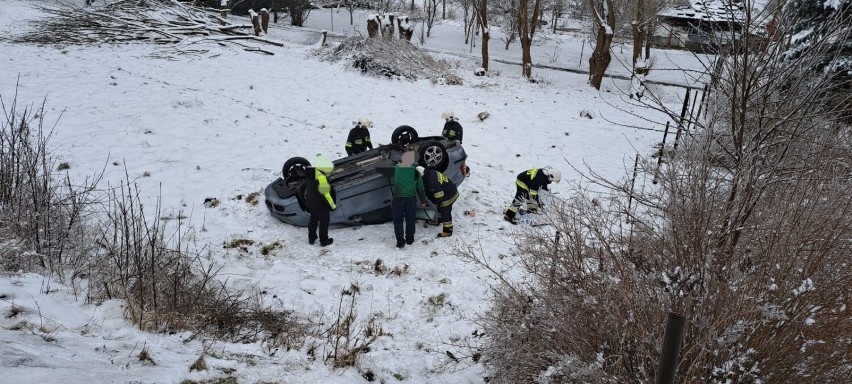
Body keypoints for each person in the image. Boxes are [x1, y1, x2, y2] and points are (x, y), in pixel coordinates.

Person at [392, 151, 427, 248]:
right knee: (410, 220)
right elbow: (420, 188)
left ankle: (400, 242)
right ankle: (410, 239)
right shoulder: (416, 171)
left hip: (398, 198)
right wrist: (423, 201)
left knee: (398, 221)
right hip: (411, 199)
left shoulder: (397, 168)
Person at [417, 166, 459, 237]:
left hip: (450, 194)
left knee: (445, 210)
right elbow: (429, 191)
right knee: (440, 207)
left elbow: (439, 195)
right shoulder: (429, 173)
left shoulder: (431, 181)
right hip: (446, 191)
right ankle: (437, 221)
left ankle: (448, 231)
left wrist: (436, 203)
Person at [305, 154, 336, 246]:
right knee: (324, 221)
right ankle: (324, 240)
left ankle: (311, 237)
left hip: (311, 202)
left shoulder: (311, 173)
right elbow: (326, 194)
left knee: (313, 219)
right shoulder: (321, 177)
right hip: (320, 204)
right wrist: (332, 205)